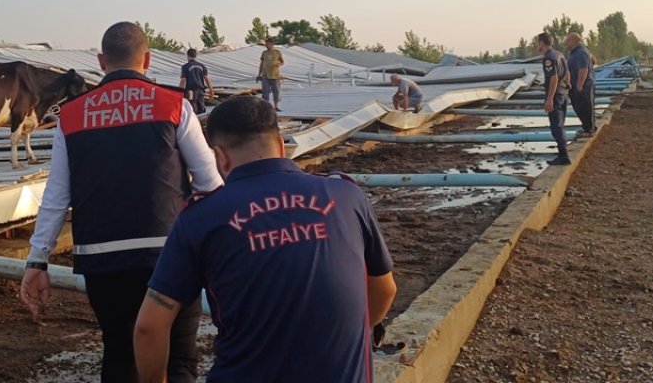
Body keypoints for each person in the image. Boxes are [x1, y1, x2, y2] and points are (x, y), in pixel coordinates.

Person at [133, 96, 397, 383]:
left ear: (220, 156)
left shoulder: (201, 218)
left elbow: (149, 326)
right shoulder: (346, 196)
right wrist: (340, 339)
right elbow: (384, 290)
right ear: (281, 144)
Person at [20, 21, 223, 383]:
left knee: (120, 352)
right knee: (178, 360)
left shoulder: (71, 115)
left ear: (101, 61)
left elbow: (57, 195)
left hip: (102, 259)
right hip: (170, 255)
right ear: (147, 59)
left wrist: (38, 259)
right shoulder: (174, 105)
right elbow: (210, 183)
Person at [534, 32, 571, 165]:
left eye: (537, 42)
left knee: (556, 126)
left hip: (556, 94)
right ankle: (563, 152)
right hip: (563, 92)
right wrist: (567, 86)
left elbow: (554, 78)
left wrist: (549, 99)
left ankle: (563, 155)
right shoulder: (559, 54)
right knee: (560, 124)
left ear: (542, 43)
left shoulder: (548, 58)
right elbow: (567, 73)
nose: (536, 45)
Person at [565, 32, 596, 137]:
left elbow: (583, 69)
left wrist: (579, 85)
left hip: (583, 85)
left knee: (585, 107)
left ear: (574, 41)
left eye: (568, 40)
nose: (566, 43)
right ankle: (587, 127)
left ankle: (589, 129)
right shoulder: (575, 52)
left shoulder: (581, 52)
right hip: (576, 85)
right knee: (579, 107)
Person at [179, 49, 214, 115]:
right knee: (202, 108)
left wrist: (179, 91)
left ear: (188, 56)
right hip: (201, 90)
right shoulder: (202, 66)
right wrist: (211, 90)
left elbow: (183, 80)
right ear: (196, 56)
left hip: (191, 91)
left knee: (193, 109)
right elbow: (206, 78)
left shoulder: (185, 67)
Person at [257, 38, 284, 111]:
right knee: (265, 91)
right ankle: (266, 106)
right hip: (265, 74)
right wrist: (259, 74)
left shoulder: (277, 52)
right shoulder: (264, 53)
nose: (266, 45)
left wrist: (279, 64)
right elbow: (262, 63)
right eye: (266, 44)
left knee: (276, 91)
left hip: (275, 75)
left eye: (267, 44)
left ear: (272, 44)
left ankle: (276, 106)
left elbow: (282, 62)